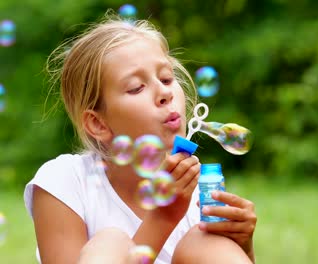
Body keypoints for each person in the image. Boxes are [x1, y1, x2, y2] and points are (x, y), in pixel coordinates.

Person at [24, 13, 257, 264]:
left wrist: (243, 244)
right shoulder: (65, 182)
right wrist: (163, 217)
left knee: (206, 241)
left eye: (167, 78)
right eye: (136, 87)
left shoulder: (199, 194)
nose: (164, 92)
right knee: (111, 242)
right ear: (98, 123)